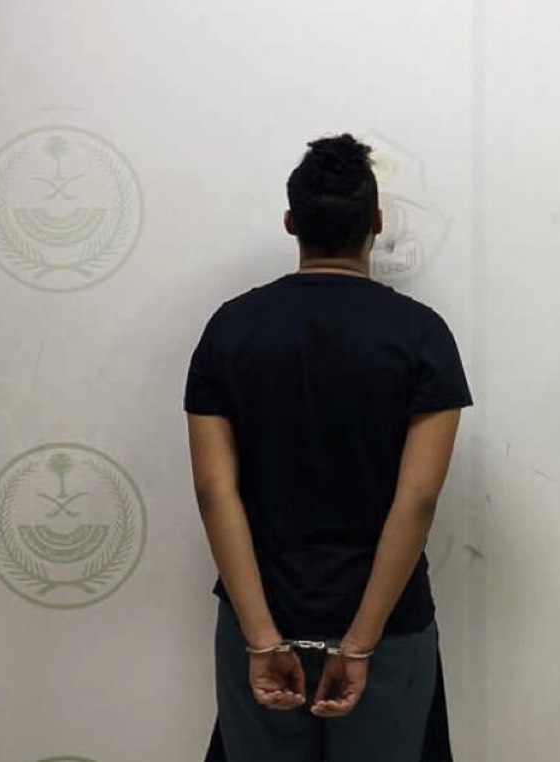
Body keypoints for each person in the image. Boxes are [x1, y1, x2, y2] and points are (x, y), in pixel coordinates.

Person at [185, 133, 471, 762]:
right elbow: (417, 499)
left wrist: (262, 639)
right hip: (387, 626)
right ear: (376, 224)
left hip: (259, 619)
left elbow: (213, 490)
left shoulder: (229, 329)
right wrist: (360, 643)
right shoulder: (423, 336)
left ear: (292, 223)